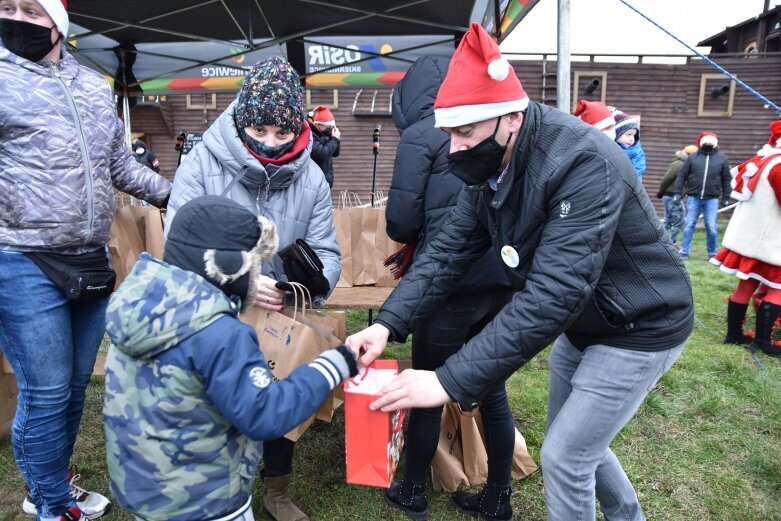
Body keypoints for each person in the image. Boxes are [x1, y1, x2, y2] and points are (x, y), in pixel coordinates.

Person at [346, 23, 693, 521]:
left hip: (642, 323)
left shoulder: (582, 161)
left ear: (511, 117)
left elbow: (554, 294)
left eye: (465, 133)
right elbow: (446, 252)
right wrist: (386, 324)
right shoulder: (491, 165)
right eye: (448, 135)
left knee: (566, 456)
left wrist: (446, 380)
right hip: (587, 322)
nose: (455, 150)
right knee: (572, 442)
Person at [0, 1, 171, 520]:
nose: (16, 18)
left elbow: (119, 164)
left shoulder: (95, 85)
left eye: (30, 10)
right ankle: (52, 503)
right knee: (46, 391)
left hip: (89, 258)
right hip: (22, 258)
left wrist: (176, 195)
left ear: (58, 22)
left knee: (75, 386)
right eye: (7, 8)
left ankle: (52, 481)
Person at [103, 195, 357, 521]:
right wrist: (331, 365)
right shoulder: (221, 334)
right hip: (206, 500)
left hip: (145, 488)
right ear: (224, 265)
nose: (258, 275)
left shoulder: (140, 305)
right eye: (254, 264)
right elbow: (265, 413)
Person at [166, 56, 340, 521]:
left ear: (299, 128)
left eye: (283, 134)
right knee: (216, 403)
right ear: (242, 119)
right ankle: (221, 489)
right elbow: (177, 245)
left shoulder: (313, 179)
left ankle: (276, 491)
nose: (270, 144)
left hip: (278, 319)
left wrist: (293, 288)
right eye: (260, 131)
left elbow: (329, 254)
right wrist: (243, 281)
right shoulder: (202, 163)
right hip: (211, 316)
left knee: (277, 396)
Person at [383, 54, 513, 520]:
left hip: (446, 285)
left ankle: (413, 489)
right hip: (498, 280)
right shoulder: (491, 127)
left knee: (425, 388)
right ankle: (498, 496)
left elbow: (400, 221)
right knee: (492, 388)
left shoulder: (420, 136)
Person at [709, 120, 781, 354]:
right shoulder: (779, 165)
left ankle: (734, 335)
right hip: (771, 241)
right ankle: (762, 343)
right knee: (777, 290)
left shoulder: (764, 159)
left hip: (752, 239)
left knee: (746, 284)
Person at [674, 131, 732, 260]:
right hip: (694, 197)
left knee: (711, 226)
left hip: (712, 198)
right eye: (706, 141)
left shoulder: (722, 159)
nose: (708, 143)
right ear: (701, 143)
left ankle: (713, 253)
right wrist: (677, 193)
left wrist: (726, 197)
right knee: (689, 225)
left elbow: (726, 179)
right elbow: (682, 176)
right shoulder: (692, 158)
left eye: (711, 141)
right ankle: (684, 252)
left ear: (715, 144)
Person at [657, 145, 699, 246]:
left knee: (668, 220)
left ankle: (662, 242)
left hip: (671, 195)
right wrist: (661, 191)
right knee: (679, 221)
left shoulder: (685, 164)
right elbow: (667, 178)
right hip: (672, 196)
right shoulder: (679, 164)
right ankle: (671, 242)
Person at [306, 105, 340, 188]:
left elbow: (335, 153)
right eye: (329, 127)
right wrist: (335, 139)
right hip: (314, 185)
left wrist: (334, 137)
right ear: (319, 125)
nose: (330, 130)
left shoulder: (321, 135)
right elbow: (321, 154)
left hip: (323, 184)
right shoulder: (310, 134)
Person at [613, 111, 646, 180]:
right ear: (616, 133)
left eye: (634, 135)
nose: (632, 139)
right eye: (628, 134)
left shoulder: (636, 152)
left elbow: (637, 173)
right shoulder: (609, 148)